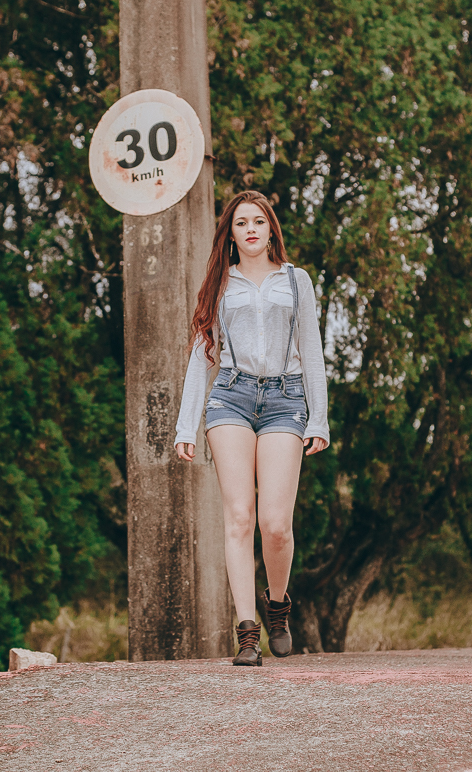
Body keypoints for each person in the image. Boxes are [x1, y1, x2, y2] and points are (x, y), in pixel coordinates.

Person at [173, 190, 330, 666]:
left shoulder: (295, 280)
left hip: (285, 399)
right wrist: (186, 425)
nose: (251, 230)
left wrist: (318, 417)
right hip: (231, 397)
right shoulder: (220, 283)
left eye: (259, 221)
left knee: (275, 525)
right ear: (231, 234)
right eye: (241, 223)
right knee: (239, 517)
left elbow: (312, 350)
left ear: (271, 229)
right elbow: (203, 354)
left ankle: (278, 606)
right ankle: (247, 633)